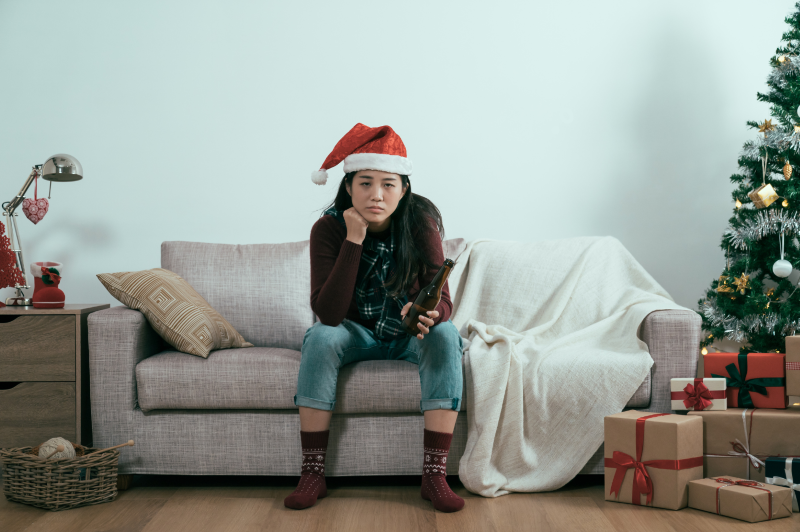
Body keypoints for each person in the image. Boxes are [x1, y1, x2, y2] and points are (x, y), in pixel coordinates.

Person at [283, 123, 465, 512]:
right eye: (365, 183)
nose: (376, 195)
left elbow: (444, 301)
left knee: (447, 335)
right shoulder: (328, 229)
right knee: (320, 337)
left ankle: (434, 475)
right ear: (348, 187)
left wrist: (426, 313)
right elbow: (329, 314)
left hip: (406, 336)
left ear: (404, 190)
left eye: (388, 184)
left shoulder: (419, 224)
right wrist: (354, 238)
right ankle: (313, 472)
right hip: (355, 334)